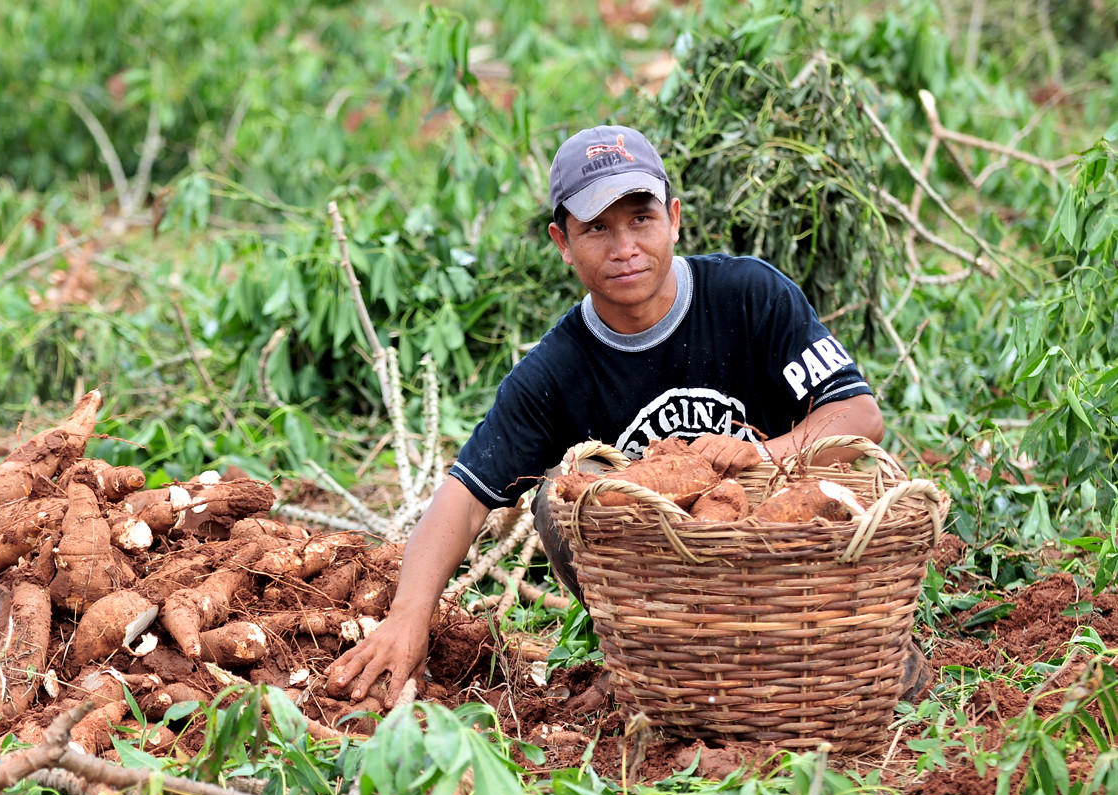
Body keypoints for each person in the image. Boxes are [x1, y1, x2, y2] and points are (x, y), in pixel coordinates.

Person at [325, 123, 891, 707]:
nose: (624, 248)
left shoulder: (750, 296)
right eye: (597, 228)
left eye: (641, 220)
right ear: (562, 243)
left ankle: (830, 645)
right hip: (662, 604)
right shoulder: (556, 370)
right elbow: (464, 498)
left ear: (673, 218)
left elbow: (858, 414)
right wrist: (407, 619)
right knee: (559, 498)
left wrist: (759, 454)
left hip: (786, 575)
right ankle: (656, 662)